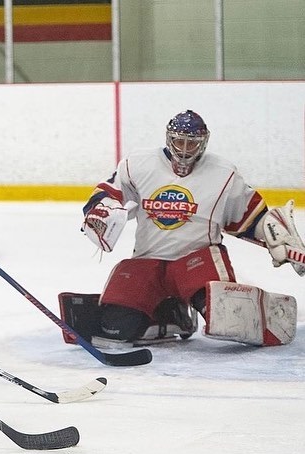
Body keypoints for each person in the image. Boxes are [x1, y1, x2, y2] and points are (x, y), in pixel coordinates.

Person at [64, 109, 303, 348]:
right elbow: (108, 193)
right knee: (114, 328)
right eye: (180, 141)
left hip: (196, 261)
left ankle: (269, 313)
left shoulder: (224, 174)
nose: (185, 150)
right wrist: (102, 210)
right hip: (148, 262)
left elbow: (250, 217)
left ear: (204, 142)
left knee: (229, 317)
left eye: (192, 143)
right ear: (169, 139)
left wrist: (275, 236)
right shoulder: (136, 164)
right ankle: (172, 314)